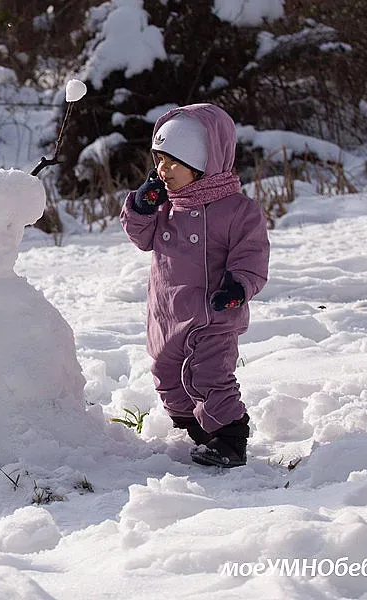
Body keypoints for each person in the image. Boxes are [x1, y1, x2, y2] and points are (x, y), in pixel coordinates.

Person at [120, 103, 270, 467]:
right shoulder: (165, 206)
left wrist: (238, 287)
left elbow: (251, 255)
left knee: (211, 375)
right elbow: (141, 238)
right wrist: (140, 207)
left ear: (205, 161)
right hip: (167, 313)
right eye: (159, 159)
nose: (162, 170)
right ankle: (198, 429)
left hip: (214, 313)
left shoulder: (237, 210)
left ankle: (231, 437)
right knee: (166, 373)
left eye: (174, 162)